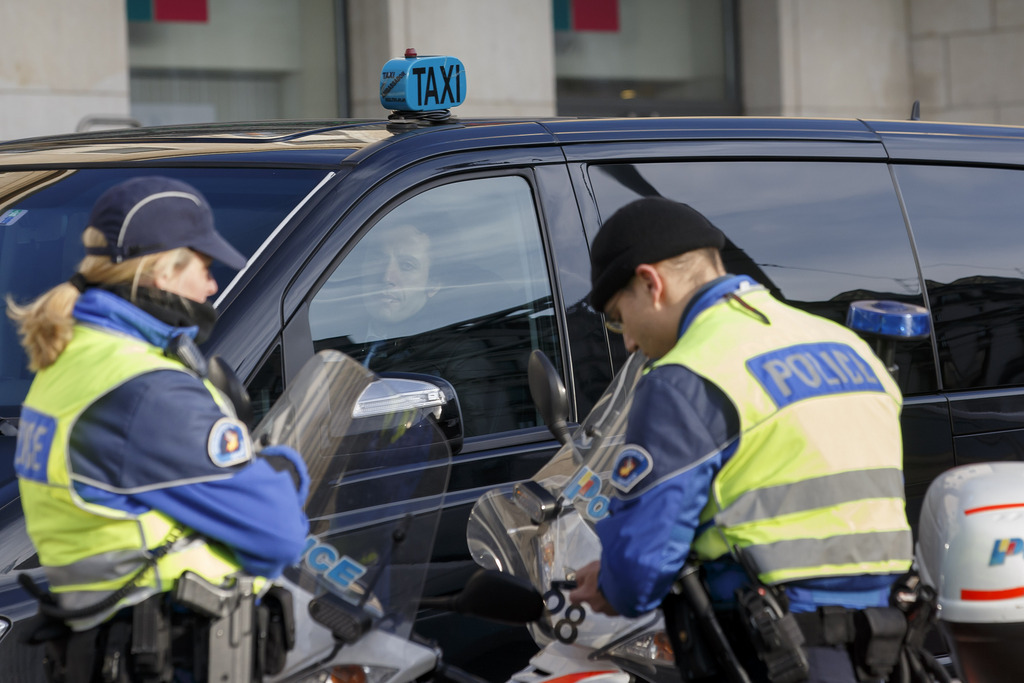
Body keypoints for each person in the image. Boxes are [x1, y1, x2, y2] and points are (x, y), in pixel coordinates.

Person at [568, 197, 914, 682]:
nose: (626, 341)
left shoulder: (687, 375)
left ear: (651, 283)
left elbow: (639, 573)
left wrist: (608, 579)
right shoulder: (848, 348)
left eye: (618, 317)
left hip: (771, 653)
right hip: (882, 650)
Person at [7, 176, 310, 682]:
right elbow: (277, 533)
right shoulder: (147, 390)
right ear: (163, 271)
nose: (212, 286)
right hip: (171, 651)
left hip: (108, 644)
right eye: (205, 267)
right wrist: (280, 468)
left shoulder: (72, 359)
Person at [327, 220, 516, 436]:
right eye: (378, 260)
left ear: (433, 285)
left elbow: (476, 453)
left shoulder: (458, 358)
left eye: (406, 266)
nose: (387, 277)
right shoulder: (326, 343)